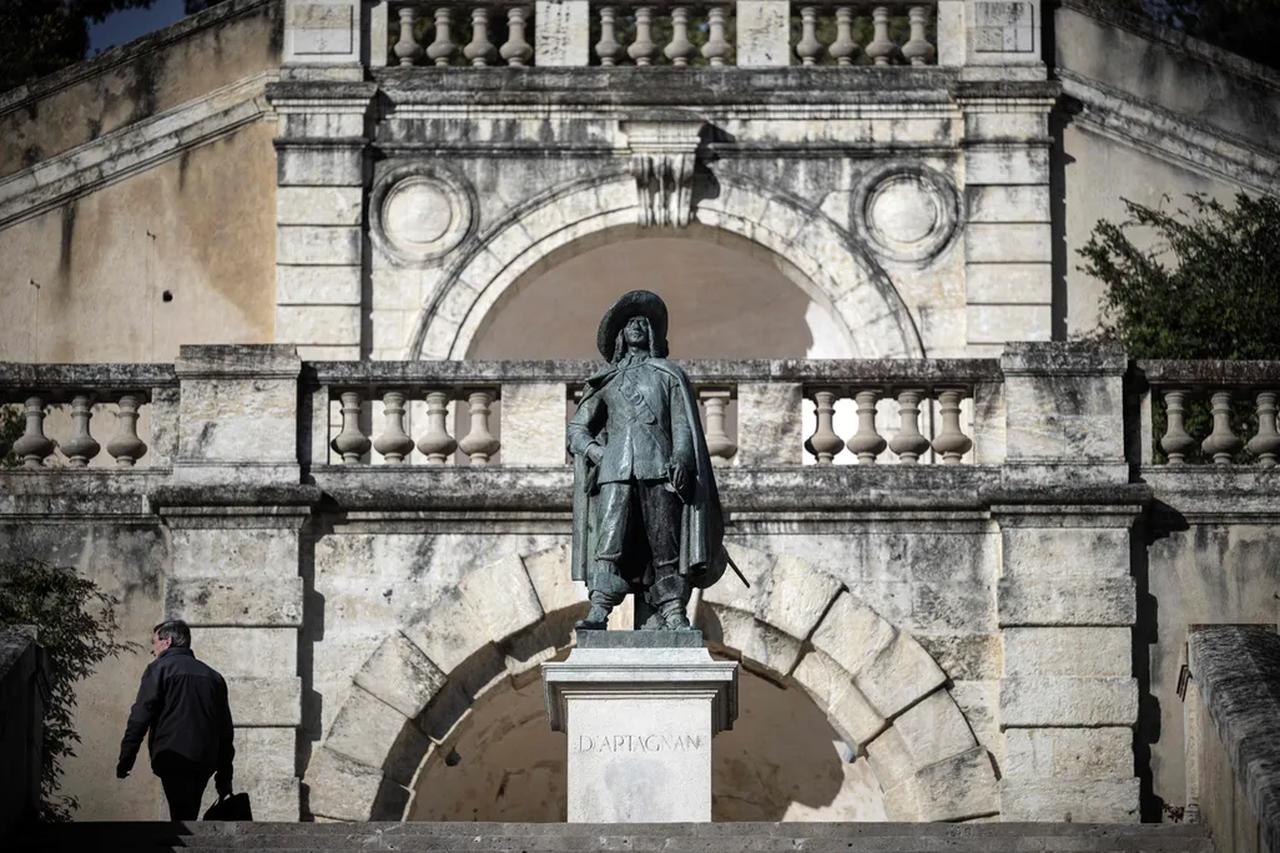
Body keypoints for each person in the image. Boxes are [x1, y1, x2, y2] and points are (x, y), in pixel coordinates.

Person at [567, 290, 726, 630]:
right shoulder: (606, 381)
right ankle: (599, 608)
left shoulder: (668, 375)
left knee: (664, 542)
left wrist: (681, 457)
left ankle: (673, 611)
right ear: (620, 336)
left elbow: (682, 425)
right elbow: (578, 429)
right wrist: (597, 452)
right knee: (609, 542)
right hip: (615, 470)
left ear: (653, 333)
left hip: (659, 468)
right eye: (630, 323)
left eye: (643, 322)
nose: (637, 327)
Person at [116, 619, 235, 820]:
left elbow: (140, 716)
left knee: (180, 812)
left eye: (154, 642)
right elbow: (225, 730)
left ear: (167, 641)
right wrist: (225, 777)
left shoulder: (159, 669)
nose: (152, 650)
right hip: (205, 757)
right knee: (188, 809)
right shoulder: (214, 677)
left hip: (171, 753)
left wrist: (126, 758)